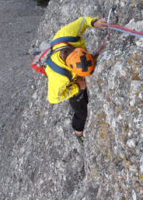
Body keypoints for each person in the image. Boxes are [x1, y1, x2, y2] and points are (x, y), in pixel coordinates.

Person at [45, 16, 108, 144]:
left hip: (76, 71)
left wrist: (94, 22)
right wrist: (77, 87)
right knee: (82, 113)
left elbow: (82, 22)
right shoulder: (60, 78)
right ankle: (78, 132)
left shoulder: (67, 36)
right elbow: (53, 98)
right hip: (73, 85)